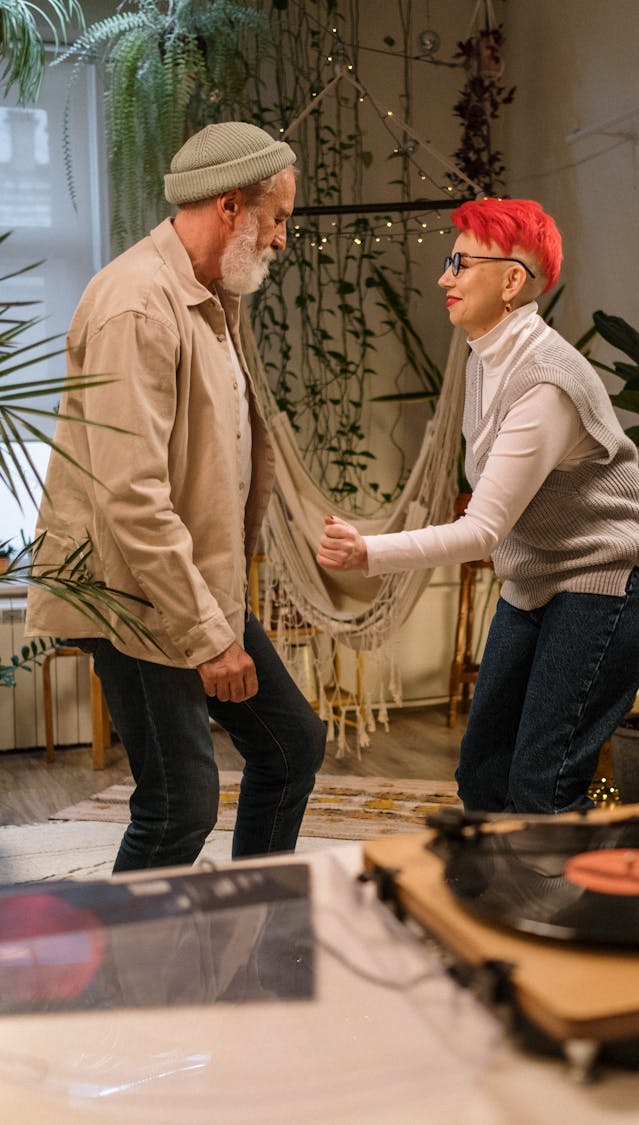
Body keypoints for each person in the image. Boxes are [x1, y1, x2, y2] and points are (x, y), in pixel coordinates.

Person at [26, 121, 326, 870]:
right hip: (135, 589)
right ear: (230, 207)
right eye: (277, 217)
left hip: (189, 583)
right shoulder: (138, 305)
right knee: (179, 805)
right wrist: (212, 636)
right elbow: (131, 498)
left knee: (291, 745)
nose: (283, 239)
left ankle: (255, 925)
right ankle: (134, 987)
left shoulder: (206, 294)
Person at [317, 197, 639, 815]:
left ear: (512, 281)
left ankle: (554, 911)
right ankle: (492, 904)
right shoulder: (485, 357)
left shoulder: (545, 381)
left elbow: (482, 531)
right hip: (533, 580)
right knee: (482, 773)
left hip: (603, 582)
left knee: (544, 781)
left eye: (460, 263)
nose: (444, 278)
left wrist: (369, 552)